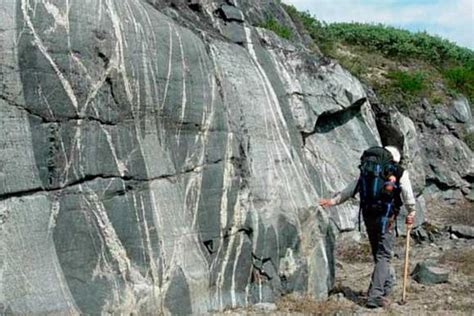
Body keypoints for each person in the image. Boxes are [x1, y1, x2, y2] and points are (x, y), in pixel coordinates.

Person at [319, 146, 416, 308]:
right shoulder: (398, 171)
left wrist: (332, 201)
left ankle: (384, 286)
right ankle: (375, 296)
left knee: (378, 254)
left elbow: (351, 189)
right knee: (384, 256)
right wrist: (411, 211)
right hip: (386, 218)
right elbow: (407, 193)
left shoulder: (368, 170)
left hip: (368, 215)